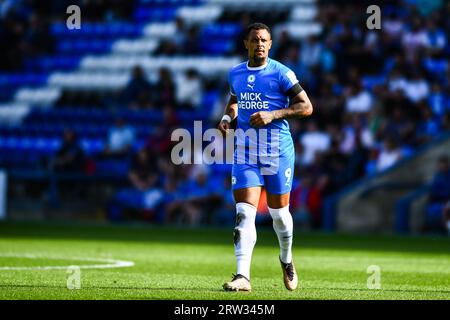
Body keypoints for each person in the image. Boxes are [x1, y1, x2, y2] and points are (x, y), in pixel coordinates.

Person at [218, 23, 313, 292]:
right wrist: (227, 118)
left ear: (270, 44)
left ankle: (286, 258)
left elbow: (306, 106)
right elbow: (235, 100)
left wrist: (273, 114)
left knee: (279, 215)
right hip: (246, 150)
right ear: (246, 44)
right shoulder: (235, 73)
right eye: (255, 40)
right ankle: (242, 276)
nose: (260, 44)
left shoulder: (281, 73)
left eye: (264, 40)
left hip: (277, 150)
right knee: (243, 213)